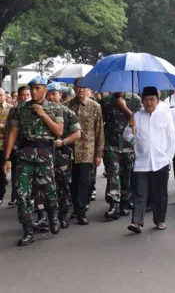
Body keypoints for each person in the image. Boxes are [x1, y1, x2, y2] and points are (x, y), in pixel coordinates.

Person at [2, 76, 64, 246]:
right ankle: (28, 231)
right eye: (32, 88)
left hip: (45, 156)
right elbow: (12, 134)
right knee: (22, 196)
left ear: (45, 90)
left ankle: (53, 217)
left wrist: (43, 115)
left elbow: (59, 131)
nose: (34, 91)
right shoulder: (19, 109)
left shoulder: (55, 108)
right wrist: (6, 158)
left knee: (49, 193)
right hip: (24, 157)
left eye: (38, 88)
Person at [124, 86, 175, 233]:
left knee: (159, 194)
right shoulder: (136, 117)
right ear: (142, 101)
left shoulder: (164, 116)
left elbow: (171, 137)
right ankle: (137, 222)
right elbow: (127, 137)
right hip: (142, 163)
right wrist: (130, 126)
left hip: (160, 162)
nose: (148, 102)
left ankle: (159, 220)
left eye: (152, 99)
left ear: (157, 100)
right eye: (145, 100)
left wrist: (168, 158)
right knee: (140, 193)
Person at [66, 77, 104, 225]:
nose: (81, 90)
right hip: (69, 150)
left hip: (87, 150)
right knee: (72, 181)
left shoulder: (95, 107)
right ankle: (75, 207)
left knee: (84, 181)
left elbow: (99, 130)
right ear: (74, 88)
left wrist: (99, 153)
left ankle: (81, 211)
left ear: (88, 89)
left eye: (84, 87)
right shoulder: (67, 106)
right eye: (78, 87)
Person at [99, 91, 142, 220]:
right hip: (111, 145)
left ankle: (125, 202)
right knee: (113, 174)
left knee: (127, 174)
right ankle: (113, 205)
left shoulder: (135, 99)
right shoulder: (106, 101)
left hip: (129, 145)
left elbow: (138, 121)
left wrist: (124, 108)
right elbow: (101, 122)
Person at [45, 83, 81, 229]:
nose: (51, 96)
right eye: (49, 94)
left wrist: (63, 141)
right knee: (45, 187)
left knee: (63, 187)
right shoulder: (41, 111)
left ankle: (62, 216)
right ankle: (47, 217)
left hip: (62, 155)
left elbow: (77, 134)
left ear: (61, 95)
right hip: (42, 154)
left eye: (54, 93)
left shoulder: (67, 113)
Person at [6, 85, 31, 207]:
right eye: (23, 95)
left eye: (28, 95)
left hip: (33, 149)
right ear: (18, 96)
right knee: (17, 175)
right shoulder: (14, 110)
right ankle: (16, 197)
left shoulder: (36, 109)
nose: (25, 97)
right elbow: (9, 130)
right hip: (18, 149)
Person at [0, 88, 12, 205]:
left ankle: (1, 191)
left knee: (2, 171)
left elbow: (13, 128)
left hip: (5, 145)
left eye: (0, 95)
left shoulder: (10, 109)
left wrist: (2, 126)